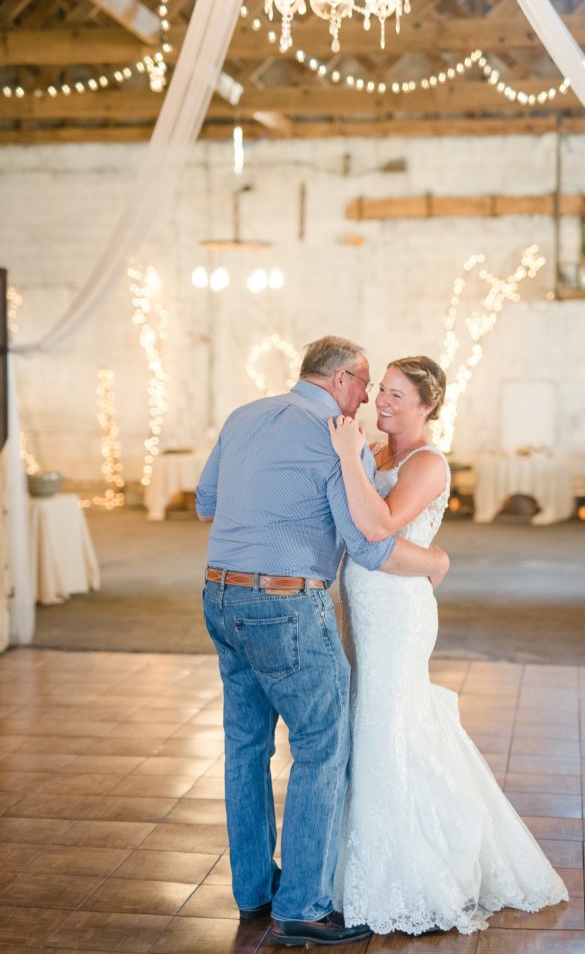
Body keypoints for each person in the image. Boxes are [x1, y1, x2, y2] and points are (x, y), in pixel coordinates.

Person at [196, 336, 449, 948]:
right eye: (365, 384)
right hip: (286, 605)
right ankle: (303, 907)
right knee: (320, 748)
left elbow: (206, 504)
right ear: (340, 380)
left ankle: (254, 892)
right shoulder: (339, 438)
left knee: (244, 747)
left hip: (219, 595)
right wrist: (436, 560)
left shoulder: (244, 415)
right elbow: (369, 545)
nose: (366, 398)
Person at [328, 355, 569, 936]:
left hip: (396, 610)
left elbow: (379, 525)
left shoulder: (427, 463)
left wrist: (346, 458)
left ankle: (408, 869)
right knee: (368, 719)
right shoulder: (379, 453)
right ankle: (351, 858)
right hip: (363, 604)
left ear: (427, 405)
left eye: (397, 395)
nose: (382, 402)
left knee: (386, 723)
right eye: (382, 390)